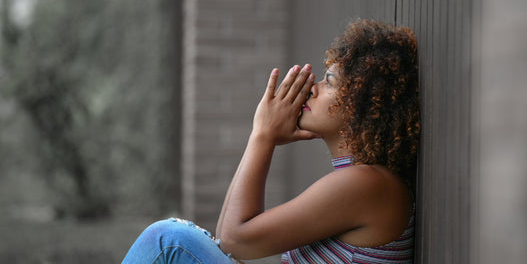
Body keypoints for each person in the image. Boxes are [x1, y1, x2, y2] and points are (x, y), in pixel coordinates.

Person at [122, 19, 420, 264]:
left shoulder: (369, 184)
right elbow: (226, 240)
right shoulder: (365, 181)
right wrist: (261, 135)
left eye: (328, 82)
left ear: (366, 103)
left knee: (168, 241)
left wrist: (263, 136)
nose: (311, 90)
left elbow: (235, 241)